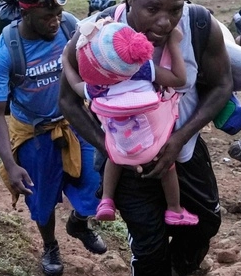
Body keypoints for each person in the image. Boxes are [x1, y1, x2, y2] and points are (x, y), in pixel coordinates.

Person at [60, 0, 233, 276]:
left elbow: (222, 84)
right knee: (149, 246)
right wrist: (111, 146)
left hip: (183, 153)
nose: (164, 21)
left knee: (206, 223)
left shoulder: (198, 25)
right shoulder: (95, 35)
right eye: (152, 8)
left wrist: (178, 139)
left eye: (174, 8)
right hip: (128, 165)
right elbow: (69, 99)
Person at [0, 0, 107, 276]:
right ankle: (50, 245)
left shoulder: (70, 27)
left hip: (75, 119)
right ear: (26, 13)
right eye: (47, 16)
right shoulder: (4, 53)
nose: (55, 21)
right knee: (41, 198)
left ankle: (78, 222)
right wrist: (10, 165)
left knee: (101, 179)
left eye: (58, 14)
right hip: (34, 132)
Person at [69, 18, 196, 227]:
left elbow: (75, 86)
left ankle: (107, 200)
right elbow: (180, 79)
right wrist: (173, 43)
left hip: (120, 145)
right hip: (152, 144)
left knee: (114, 156)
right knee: (168, 167)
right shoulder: (142, 70)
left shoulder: (97, 86)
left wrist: (67, 63)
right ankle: (174, 209)